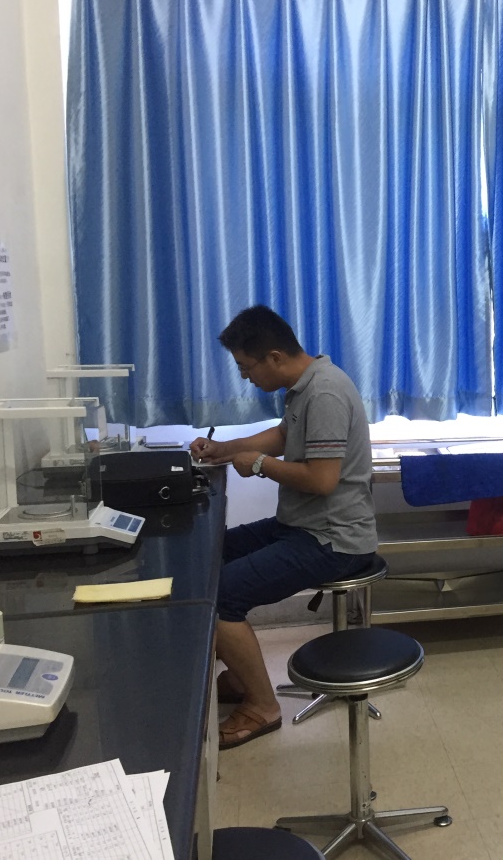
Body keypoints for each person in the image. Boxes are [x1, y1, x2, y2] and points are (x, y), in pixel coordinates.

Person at [190, 305, 378, 750]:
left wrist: (257, 464)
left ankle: (262, 705)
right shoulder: (304, 386)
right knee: (209, 556)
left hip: (334, 539)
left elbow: (322, 480)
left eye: (246, 367)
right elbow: (282, 436)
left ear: (274, 357)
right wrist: (224, 449)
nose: (245, 377)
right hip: (299, 525)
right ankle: (242, 675)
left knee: (222, 596)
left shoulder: (325, 393)